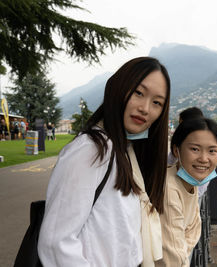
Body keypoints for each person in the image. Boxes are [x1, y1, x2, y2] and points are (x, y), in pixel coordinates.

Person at [38, 57, 171, 267]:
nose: (145, 108)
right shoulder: (92, 150)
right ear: (118, 88)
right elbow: (56, 242)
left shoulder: (125, 151)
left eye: (156, 103)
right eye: (138, 93)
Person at [156, 117, 217, 267]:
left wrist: (181, 248)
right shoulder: (169, 189)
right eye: (195, 149)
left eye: (212, 150)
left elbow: (194, 229)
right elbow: (171, 260)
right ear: (176, 150)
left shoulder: (190, 182)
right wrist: (180, 250)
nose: (204, 159)